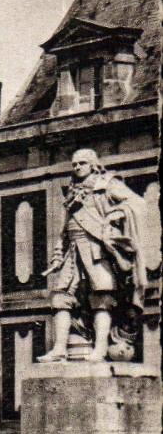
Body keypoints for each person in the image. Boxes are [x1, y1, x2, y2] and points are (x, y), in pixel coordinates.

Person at [41, 148, 146, 363]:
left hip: (97, 250)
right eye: (74, 164)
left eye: (82, 163)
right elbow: (64, 229)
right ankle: (59, 349)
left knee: (102, 299)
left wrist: (114, 216)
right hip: (73, 251)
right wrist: (57, 255)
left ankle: (100, 349)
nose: (77, 167)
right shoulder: (71, 191)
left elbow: (136, 203)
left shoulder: (107, 184)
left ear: (93, 164)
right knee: (60, 297)